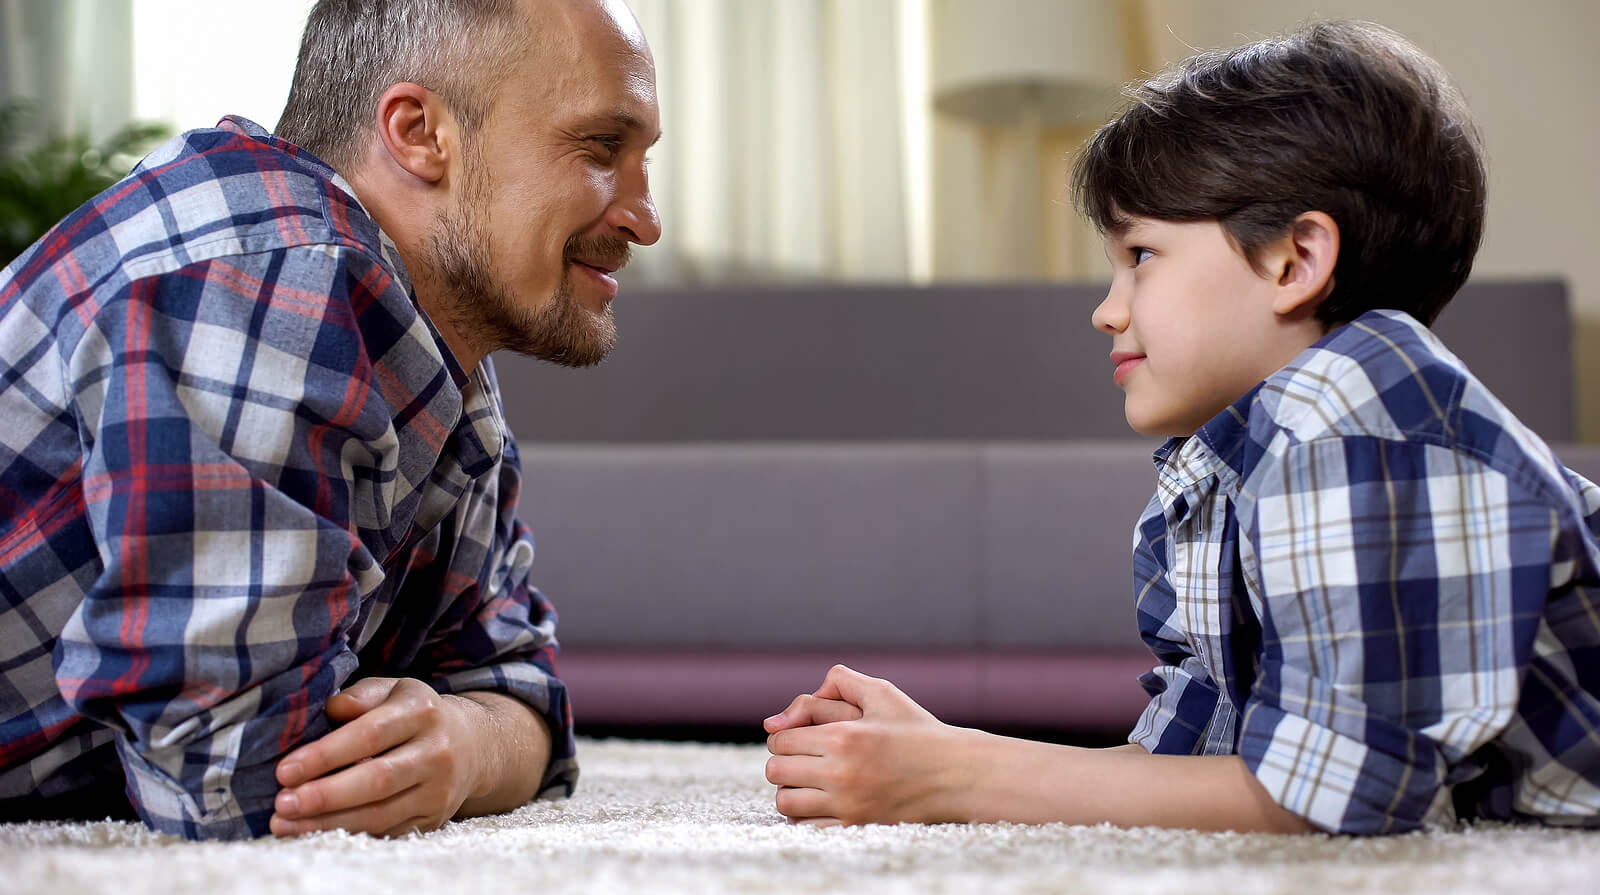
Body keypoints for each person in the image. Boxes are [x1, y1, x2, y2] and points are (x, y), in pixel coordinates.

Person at [763, 20, 1600, 834]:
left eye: (1140, 257)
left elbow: (1340, 796)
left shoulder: (1360, 427)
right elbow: (1195, 767)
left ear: (1293, 261)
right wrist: (941, 749)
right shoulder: (1219, 469)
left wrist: (951, 776)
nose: (1105, 311)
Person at [0, 0, 660, 840]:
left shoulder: (440, 365)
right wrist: (446, 729)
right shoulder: (269, 276)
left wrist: (461, 742)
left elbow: (521, 684)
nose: (646, 217)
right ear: (420, 132)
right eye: (603, 149)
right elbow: (233, 775)